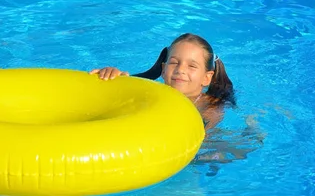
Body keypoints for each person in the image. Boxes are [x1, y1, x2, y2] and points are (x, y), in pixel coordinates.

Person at [90, 33, 236, 130]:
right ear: (164, 69)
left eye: (191, 66)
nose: (180, 70)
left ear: (206, 78)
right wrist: (112, 79)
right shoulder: (149, 92)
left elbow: (197, 143)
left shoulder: (210, 108)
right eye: (174, 63)